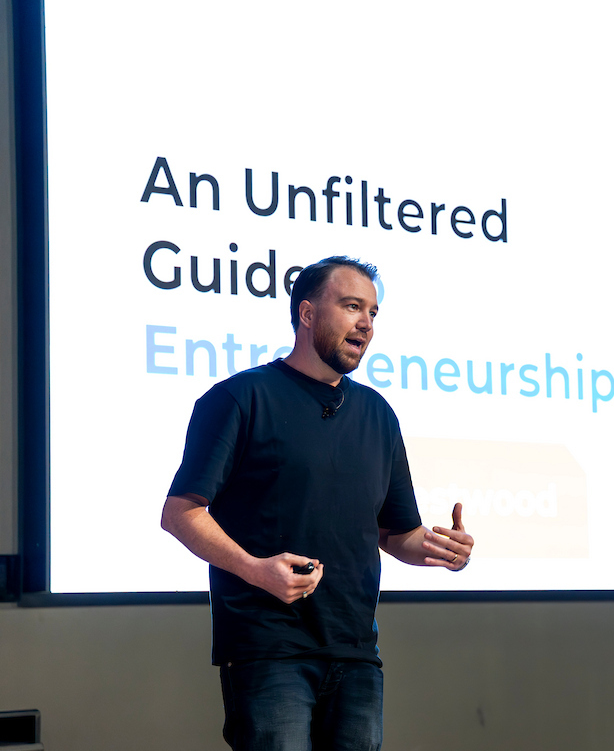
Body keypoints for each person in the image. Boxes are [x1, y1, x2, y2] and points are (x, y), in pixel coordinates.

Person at [161, 256, 474, 751]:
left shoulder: (378, 413)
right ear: (307, 314)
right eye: (352, 306)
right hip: (269, 650)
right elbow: (180, 512)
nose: (366, 323)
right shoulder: (240, 398)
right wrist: (255, 569)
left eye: (373, 312)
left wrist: (441, 548)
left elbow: (395, 533)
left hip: (356, 652)